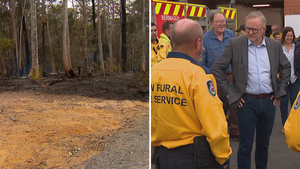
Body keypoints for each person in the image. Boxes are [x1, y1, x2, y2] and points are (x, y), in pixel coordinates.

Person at [212, 11, 291, 169]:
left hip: (268, 102)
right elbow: (217, 68)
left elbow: (286, 67)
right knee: (245, 146)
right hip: (245, 102)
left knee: (263, 145)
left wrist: (280, 90)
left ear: (263, 29)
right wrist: (230, 93)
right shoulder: (236, 44)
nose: (250, 32)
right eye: (248, 28)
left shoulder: (274, 46)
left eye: (255, 29)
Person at [151, 19, 231, 169]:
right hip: (193, 157)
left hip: (162, 156)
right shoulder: (199, 76)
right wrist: (223, 157)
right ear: (198, 43)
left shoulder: (154, 72)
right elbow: (214, 123)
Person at [199, 11, 237, 139]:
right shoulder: (205, 39)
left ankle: (234, 131)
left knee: (234, 104)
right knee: (216, 106)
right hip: (214, 78)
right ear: (211, 23)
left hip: (231, 76)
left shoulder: (232, 35)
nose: (222, 24)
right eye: (218, 21)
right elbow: (202, 61)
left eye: (223, 21)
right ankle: (218, 132)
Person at [280, 27, 300, 134]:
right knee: (283, 102)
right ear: (284, 36)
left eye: (291, 36)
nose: (289, 38)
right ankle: (284, 125)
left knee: (294, 102)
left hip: (294, 78)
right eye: (287, 36)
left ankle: (294, 124)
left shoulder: (296, 47)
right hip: (283, 80)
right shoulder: (279, 48)